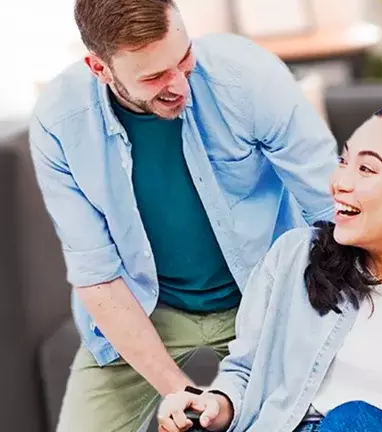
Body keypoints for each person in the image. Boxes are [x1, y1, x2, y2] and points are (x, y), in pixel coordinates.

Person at [28, 0, 337, 430]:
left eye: (184, 58)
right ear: (99, 68)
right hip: (146, 309)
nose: (180, 84)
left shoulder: (247, 75)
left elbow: (331, 207)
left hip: (262, 296)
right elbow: (97, 274)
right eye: (155, 76)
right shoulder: (60, 121)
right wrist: (180, 392)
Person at [157, 105, 382, 432]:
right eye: (343, 161)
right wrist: (212, 406)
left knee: (354, 420)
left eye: (366, 169)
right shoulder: (293, 258)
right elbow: (246, 372)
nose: (339, 183)